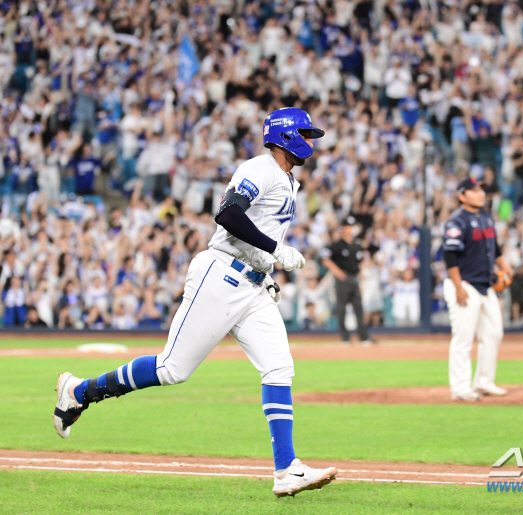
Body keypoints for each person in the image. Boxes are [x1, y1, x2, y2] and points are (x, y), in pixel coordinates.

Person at [52, 108, 338, 498]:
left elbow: (255, 228)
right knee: (172, 369)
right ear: (287, 135)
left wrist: (266, 271)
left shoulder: (287, 180)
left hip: (251, 285)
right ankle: (79, 392)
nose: (311, 140)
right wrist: (275, 250)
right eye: (306, 133)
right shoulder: (262, 167)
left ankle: (286, 468)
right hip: (220, 274)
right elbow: (227, 214)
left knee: (279, 367)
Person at [442, 177, 513, 401]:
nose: (481, 194)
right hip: (464, 284)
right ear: (462, 195)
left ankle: (483, 382)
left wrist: (504, 266)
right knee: (463, 339)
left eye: (481, 189)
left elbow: (495, 247)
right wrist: (458, 287)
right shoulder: (456, 221)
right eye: (474, 190)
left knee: (493, 333)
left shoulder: (485, 216)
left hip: (485, 283)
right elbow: (450, 256)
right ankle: (461, 388)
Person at [321, 217, 372, 344]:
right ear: (343, 228)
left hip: (354, 279)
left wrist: (360, 275)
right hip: (342, 279)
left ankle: (363, 336)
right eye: (348, 226)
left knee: (358, 308)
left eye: (352, 226)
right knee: (341, 308)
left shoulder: (357, 245)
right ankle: (345, 337)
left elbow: (361, 261)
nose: (350, 229)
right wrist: (338, 273)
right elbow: (325, 258)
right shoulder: (337, 245)